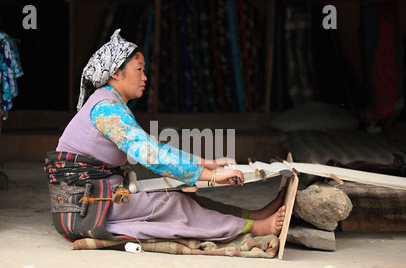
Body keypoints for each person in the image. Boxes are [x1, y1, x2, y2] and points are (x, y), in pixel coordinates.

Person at [46, 29, 285, 243]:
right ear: (115, 74)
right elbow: (151, 155)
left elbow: (153, 146)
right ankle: (252, 228)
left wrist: (206, 164)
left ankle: (255, 217)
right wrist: (211, 176)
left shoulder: (109, 103)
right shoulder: (106, 108)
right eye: (139, 70)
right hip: (84, 207)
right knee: (173, 204)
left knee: (182, 197)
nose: (145, 77)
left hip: (96, 194)